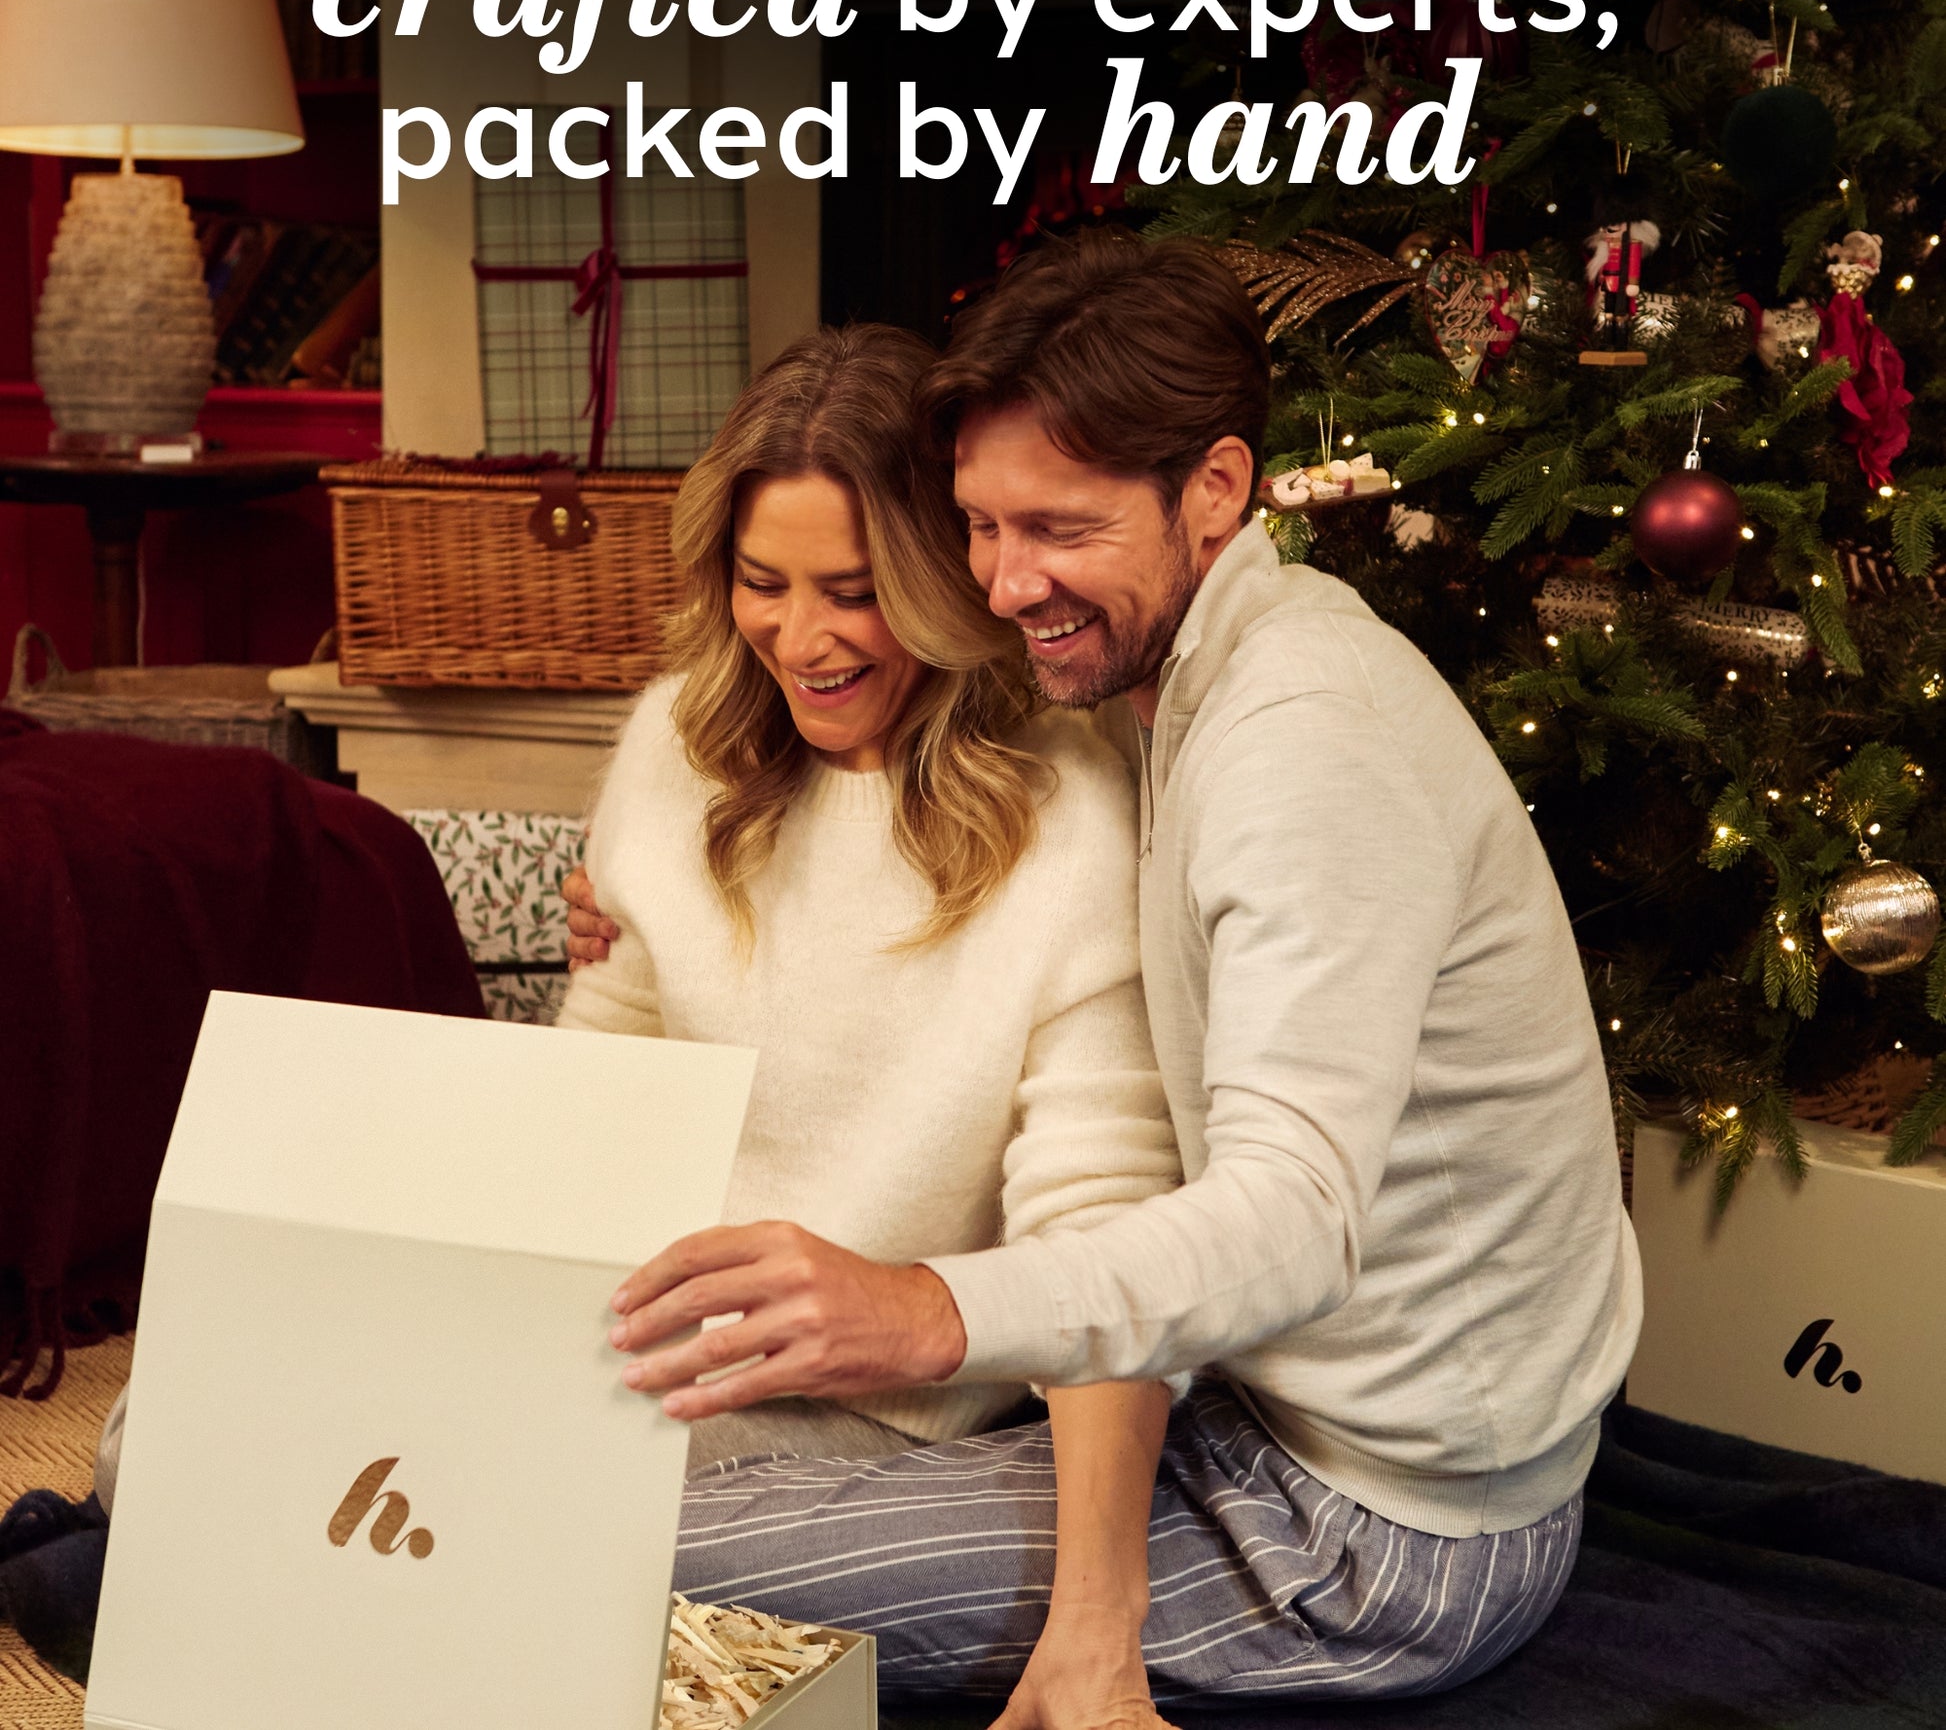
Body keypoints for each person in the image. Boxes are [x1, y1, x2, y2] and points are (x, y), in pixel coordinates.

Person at [572, 230, 1644, 1708]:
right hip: (1258, 1417)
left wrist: (919, 1311)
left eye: (1058, 529)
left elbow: (1288, 1223)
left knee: (581, 1539)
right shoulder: (1180, 692)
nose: (1006, 584)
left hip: (1377, 1529)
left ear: (1214, 490)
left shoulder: (1299, 744)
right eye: (976, 527)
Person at [65, 324, 1186, 1730]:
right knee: (148, 1436)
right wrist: (447, 1298)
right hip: (628, 1312)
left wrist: (1101, 1611)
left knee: (445, 1519)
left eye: (854, 591)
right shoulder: (681, 736)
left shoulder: (1070, 813)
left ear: (944, 582)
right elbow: (593, 1081)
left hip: (854, 1394)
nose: (801, 636)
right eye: (760, 584)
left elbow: (1101, 1217)